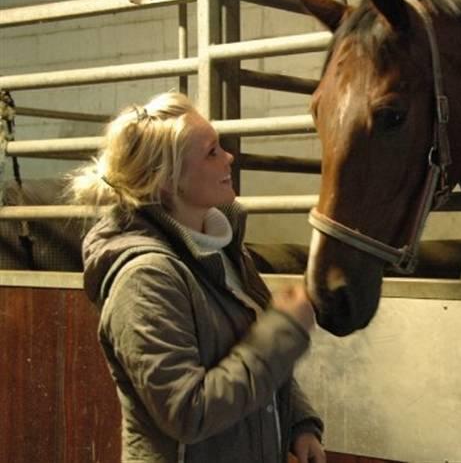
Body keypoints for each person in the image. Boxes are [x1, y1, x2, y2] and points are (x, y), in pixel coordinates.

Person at [68, 92, 325, 463]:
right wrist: (284, 333)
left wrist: (299, 422)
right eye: (211, 152)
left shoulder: (222, 246)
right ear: (168, 182)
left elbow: (250, 351)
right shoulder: (145, 280)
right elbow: (188, 411)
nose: (229, 157)